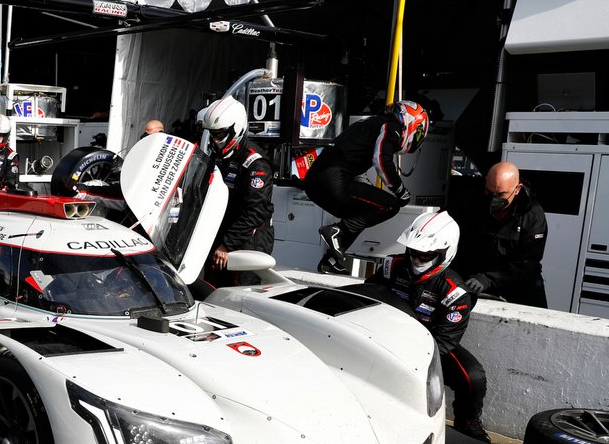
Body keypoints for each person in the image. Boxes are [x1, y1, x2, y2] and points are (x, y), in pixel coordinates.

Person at [366, 210, 490, 442]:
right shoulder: (391, 266)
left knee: (473, 376)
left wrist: (409, 359)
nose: (416, 260)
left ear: (444, 253)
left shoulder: (455, 292)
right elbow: (367, 297)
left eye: (426, 255)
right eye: (413, 252)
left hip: (427, 345)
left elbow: (445, 341)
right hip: (383, 334)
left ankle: (468, 423)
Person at [303, 100, 430, 275]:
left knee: (362, 211)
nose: (415, 140)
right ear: (411, 121)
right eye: (418, 134)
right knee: (390, 205)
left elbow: (355, 166)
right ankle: (336, 232)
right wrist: (400, 190)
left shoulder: (370, 123)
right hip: (332, 180)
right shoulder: (391, 126)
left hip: (316, 181)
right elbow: (381, 160)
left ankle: (331, 261)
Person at [452, 161, 548, 307]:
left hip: (518, 280)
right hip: (474, 276)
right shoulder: (470, 201)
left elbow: (527, 263)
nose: (493, 199)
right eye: (489, 192)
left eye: (501, 194)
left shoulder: (532, 216)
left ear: (517, 189)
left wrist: (489, 279)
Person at [200, 96, 274, 287]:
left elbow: (256, 212)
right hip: (223, 234)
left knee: (239, 294)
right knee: (212, 289)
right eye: (213, 134)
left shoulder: (255, 162)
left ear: (236, 128)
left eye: (220, 134)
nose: (216, 140)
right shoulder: (219, 155)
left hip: (248, 239)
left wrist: (228, 244)